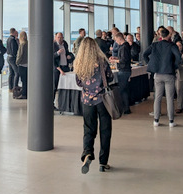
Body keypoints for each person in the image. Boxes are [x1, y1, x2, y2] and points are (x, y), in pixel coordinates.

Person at [74, 37, 113, 174]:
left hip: (87, 101)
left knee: (88, 129)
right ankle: (103, 162)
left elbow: (78, 83)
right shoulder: (102, 61)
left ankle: (87, 154)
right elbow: (110, 77)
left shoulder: (79, 63)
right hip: (103, 100)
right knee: (105, 130)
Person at [141, 27, 182, 127]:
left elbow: (145, 54)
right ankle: (171, 121)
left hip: (158, 74)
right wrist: (174, 66)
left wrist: (150, 64)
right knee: (169, 98)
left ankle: (156, 120)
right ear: (169, 36)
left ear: (160, 35)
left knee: (157, 97)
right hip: (169, 74)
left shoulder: (155, 45)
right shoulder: (172, 45)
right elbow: (178, 57)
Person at [110, 32, 131, 115]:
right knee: (124, 90)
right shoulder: (125, 46)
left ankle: (123, 108)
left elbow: (124, 60)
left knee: (121, 90)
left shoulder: (124, 47)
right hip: (125, 70)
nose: (116, 42)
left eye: (116, 40)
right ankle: (126, 108)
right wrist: (116, 58)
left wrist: (115, 61)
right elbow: (123, 58)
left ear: (119, 38)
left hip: (123, 70)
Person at [53, 32, 73, 108]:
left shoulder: (65, 44)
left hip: (65, 67)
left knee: (65, 86)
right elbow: (50, 57)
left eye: (61, 37)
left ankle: (64, 104)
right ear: (55, 38)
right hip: (57, 68)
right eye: (58, 37)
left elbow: (68, 53)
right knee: (55, 86)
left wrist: (69, 56)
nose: (60, 39)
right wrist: (57, 53)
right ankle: (51, 104)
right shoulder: (53, 45)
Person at [15, 30, 28, 99]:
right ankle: (27, 93)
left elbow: (20, 55)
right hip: (28, 64)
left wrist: (17, 62)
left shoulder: (22, 44)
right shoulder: (28, 44)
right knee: (27, 80)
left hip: (22, 64)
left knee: (23, 81)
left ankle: (23, 94)